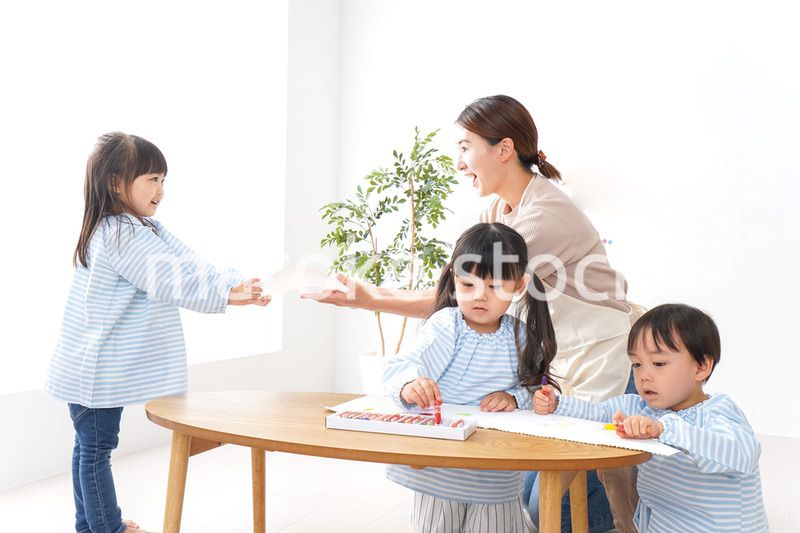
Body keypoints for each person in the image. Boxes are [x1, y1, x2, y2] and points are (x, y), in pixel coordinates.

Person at [304, 95, 640, 532]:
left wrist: (369, 299)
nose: (459, 163)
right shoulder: (498, 209)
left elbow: (460, 291)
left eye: (465, 147)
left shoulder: (545, 215)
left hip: (597, 353)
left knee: (549, 504)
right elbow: (461, 288)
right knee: (526, 489)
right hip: (557, 357)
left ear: (504, 149)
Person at [44, 132, 270, 533]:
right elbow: (168, 279)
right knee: (96, 449)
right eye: (152, 179)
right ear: (116, 183)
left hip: (88, 367)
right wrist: (226, 294)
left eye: (163, 180)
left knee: (89, 447)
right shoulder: (121, 234)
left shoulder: (140, 228)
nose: (161, 190)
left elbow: (189, 264)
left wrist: (231, 284)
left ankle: (91, 525)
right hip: (92, 369)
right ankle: (107, 527)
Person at [382, 222, 557, 533]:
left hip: (496, 470)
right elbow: (405, 365)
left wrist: (514, 397)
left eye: (494, 287)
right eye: (467, 284)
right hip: (442, 467)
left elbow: (538, 390)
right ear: (454, 279)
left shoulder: (520, 336)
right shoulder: (447, 326)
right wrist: (411, 385)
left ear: (519, 285)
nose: (480, 296)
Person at [533, 304, 769, 532]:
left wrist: (663, 429)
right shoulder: (638, 407)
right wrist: (557, 404)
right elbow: (598, 412)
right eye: (637, 364)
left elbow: (744, 455)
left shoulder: (717, 410)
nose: (644, 375)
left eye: (658, 363)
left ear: (700, 367)